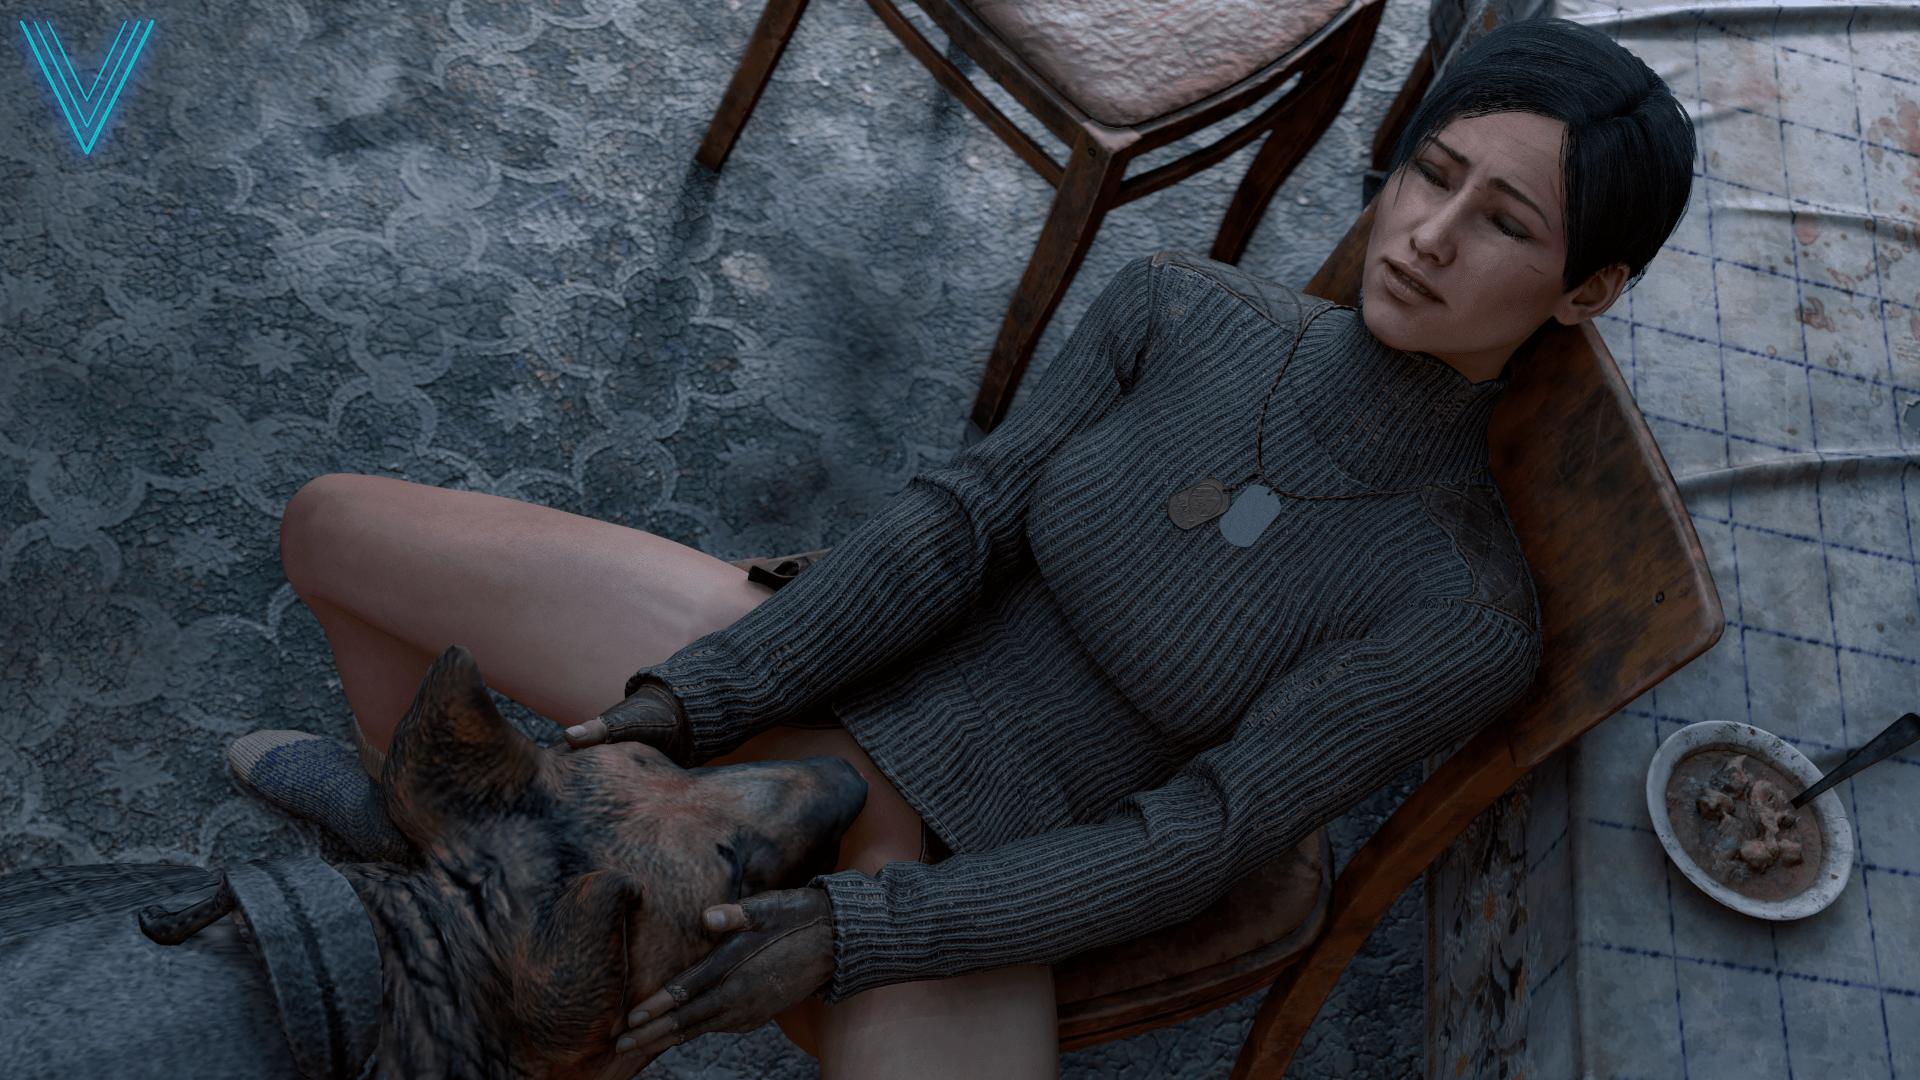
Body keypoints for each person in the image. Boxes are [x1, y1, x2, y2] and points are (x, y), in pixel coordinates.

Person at [227, 16, 1696, 1078]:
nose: (1429, 235)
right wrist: (704, 695)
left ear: (1587, 291)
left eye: (1504, 223)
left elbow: (1197, 839)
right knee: (335, 530)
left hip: (979, 861)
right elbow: (960, 523)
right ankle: (439, 844)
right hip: (843, 669)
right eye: (1431, 172)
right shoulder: (1180, 308)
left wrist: (859, 934)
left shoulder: (1462, 610)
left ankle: (522, 934)